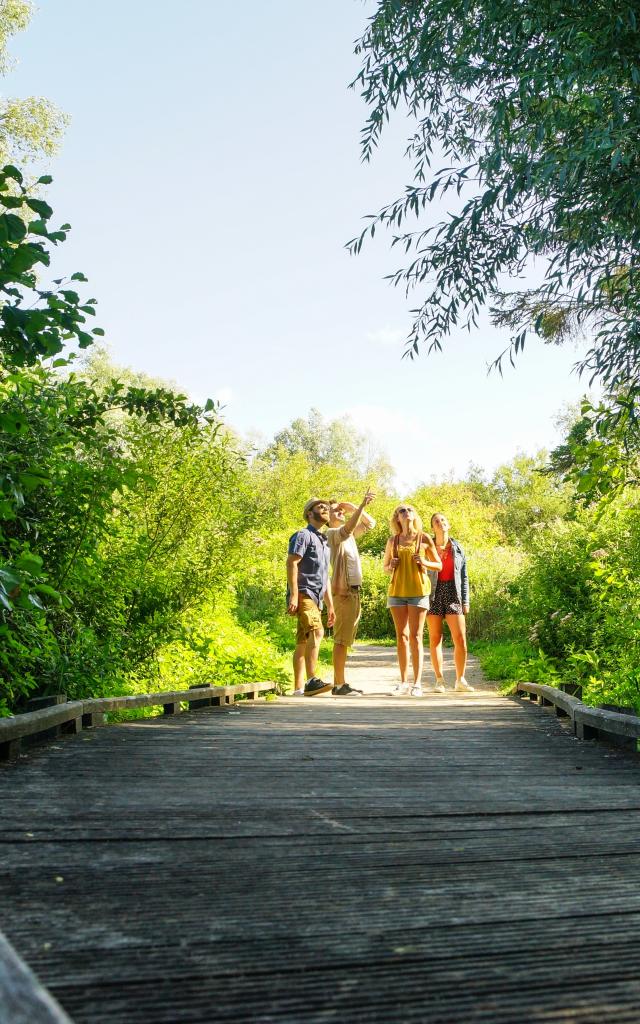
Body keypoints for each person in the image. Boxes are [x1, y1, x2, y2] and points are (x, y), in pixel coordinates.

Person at [383, 504, 442, 697]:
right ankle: (403, 683)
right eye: (402, 511)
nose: (406, 512)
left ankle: (417, 684)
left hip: (418, 591)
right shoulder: (393, 540)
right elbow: (385, 568)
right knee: (401, 636)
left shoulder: (424, 538)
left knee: (416, 636)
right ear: (397, 518)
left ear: (414, 515)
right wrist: (391, 565)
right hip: (397, 592)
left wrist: (424, 562)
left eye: (409, 510)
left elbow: (438, 565)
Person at [326, 489, 376, 696]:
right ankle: (338, 685)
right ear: (327, 517)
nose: (340, 512)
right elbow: (346, 530)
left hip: (353, 592)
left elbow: (370, 524)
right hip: (343, 593)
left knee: (346, 640)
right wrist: (362, 505)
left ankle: (341, 682)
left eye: (340, 510)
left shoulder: (349, 536)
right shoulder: (331, 534)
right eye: (335, 510)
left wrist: (354, 507)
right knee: (340, 640)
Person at [286, 498, 335, 696]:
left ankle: (298, 688)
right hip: (304, 592)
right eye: (320, 507)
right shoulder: (303, 535)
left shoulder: (324, 541)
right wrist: (294, 595)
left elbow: (325, 576)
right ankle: (312, 680)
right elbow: (292, 563)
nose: (325, 509)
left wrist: (330, 605)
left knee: (303, 641)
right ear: (309, 513)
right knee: (316, 631)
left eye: (326, 507)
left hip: (317, 597)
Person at [426, 512, 474, 693]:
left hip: (453, 593)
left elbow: (464, 576)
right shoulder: (426, 547)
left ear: (448, 525)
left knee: (460, 639)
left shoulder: (458, 548)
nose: (440, 523)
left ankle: (460, 680)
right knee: (435, 638)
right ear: (433, 528)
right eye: (436, 521)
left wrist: (465, 600)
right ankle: (439, 681)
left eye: (443, 520)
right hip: (433, 593)